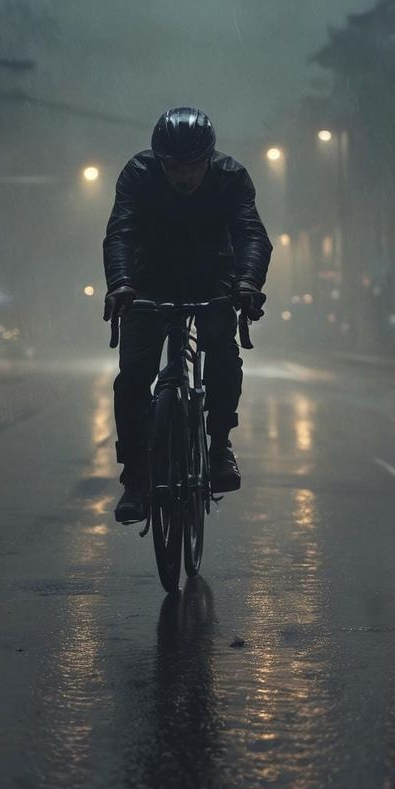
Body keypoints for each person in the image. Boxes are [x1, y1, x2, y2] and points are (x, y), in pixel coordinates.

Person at [102, 107, 272, 527]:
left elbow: (251, 234)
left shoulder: (231, 178)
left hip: (214, 280)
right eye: (175, 166)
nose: (185, 176)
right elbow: (120, 232)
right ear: (159, 161)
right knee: (134, 377)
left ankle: (219, 446)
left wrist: (247, 284)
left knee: (222, 351)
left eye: (195, 165)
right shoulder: (138, 175)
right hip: (147, 283)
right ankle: (136, 478)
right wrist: (120, 284)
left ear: (209, 159)